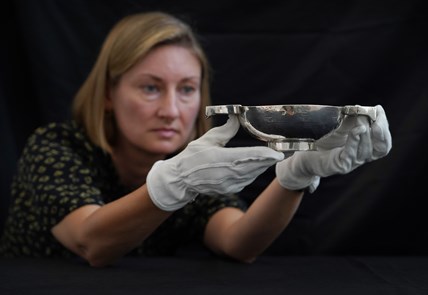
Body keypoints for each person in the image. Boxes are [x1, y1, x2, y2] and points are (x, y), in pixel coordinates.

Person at [0, 11, 392, 267]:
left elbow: (239, 240)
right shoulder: (56, 148)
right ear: (108, 94)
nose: (171, 110)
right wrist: (173, 183)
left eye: (186, 89)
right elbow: (91, 243)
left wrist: (295, 175)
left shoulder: (194, 163)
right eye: (150, 88)